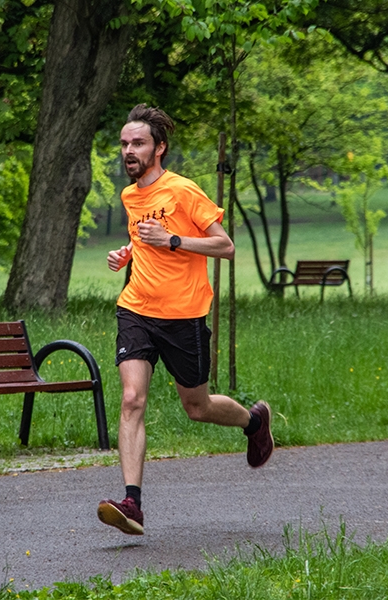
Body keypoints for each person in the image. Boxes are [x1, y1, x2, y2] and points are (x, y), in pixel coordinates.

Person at [98, 104, 273, 536]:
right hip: (136, 308)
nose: (128, 151)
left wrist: (174, 240)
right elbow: (144, 238)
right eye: (123, 144)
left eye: (137, 143)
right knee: (132, 399)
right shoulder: (130, 195)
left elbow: (226, 246)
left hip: (183, 317)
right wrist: (129, 253)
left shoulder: (183, 191)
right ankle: (132, 504)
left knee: (197, 407)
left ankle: (254, 422)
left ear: (160, 148)